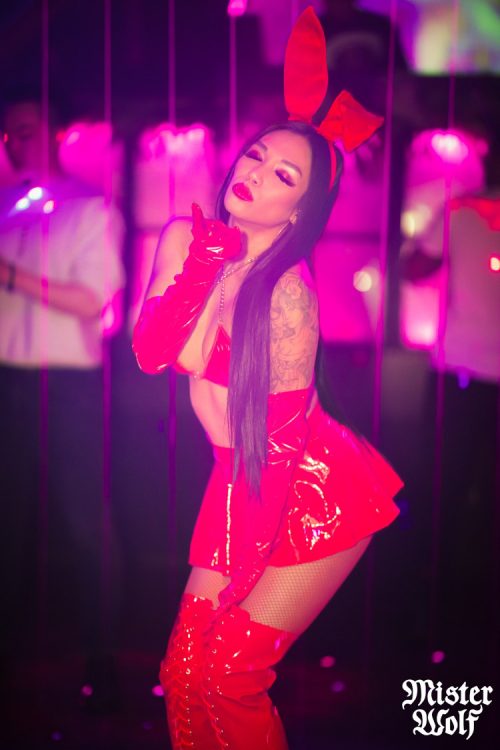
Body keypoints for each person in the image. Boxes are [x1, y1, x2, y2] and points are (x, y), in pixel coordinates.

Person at [132, 9, 403, 748]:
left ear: (300, 210)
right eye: (256, 156)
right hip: (240, 475)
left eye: (282, 175)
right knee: (184, 672)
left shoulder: (288, 295)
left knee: (226, 674)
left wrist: (242, 572)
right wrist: (209, 257)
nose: (254, 175)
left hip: (307, 486)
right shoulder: (187, 237)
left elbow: (275, 445)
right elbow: (156, 353)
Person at [0, 94, 125, 712]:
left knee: (83, 524)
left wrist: (10, 276)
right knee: (8, 522)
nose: (16, 143)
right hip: (10, 381)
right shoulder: (5, 207)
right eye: (9, 135)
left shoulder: (89, 207)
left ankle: (102, 659)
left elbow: (92, 300)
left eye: (27, 130)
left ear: (52, 133)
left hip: (70, 385)